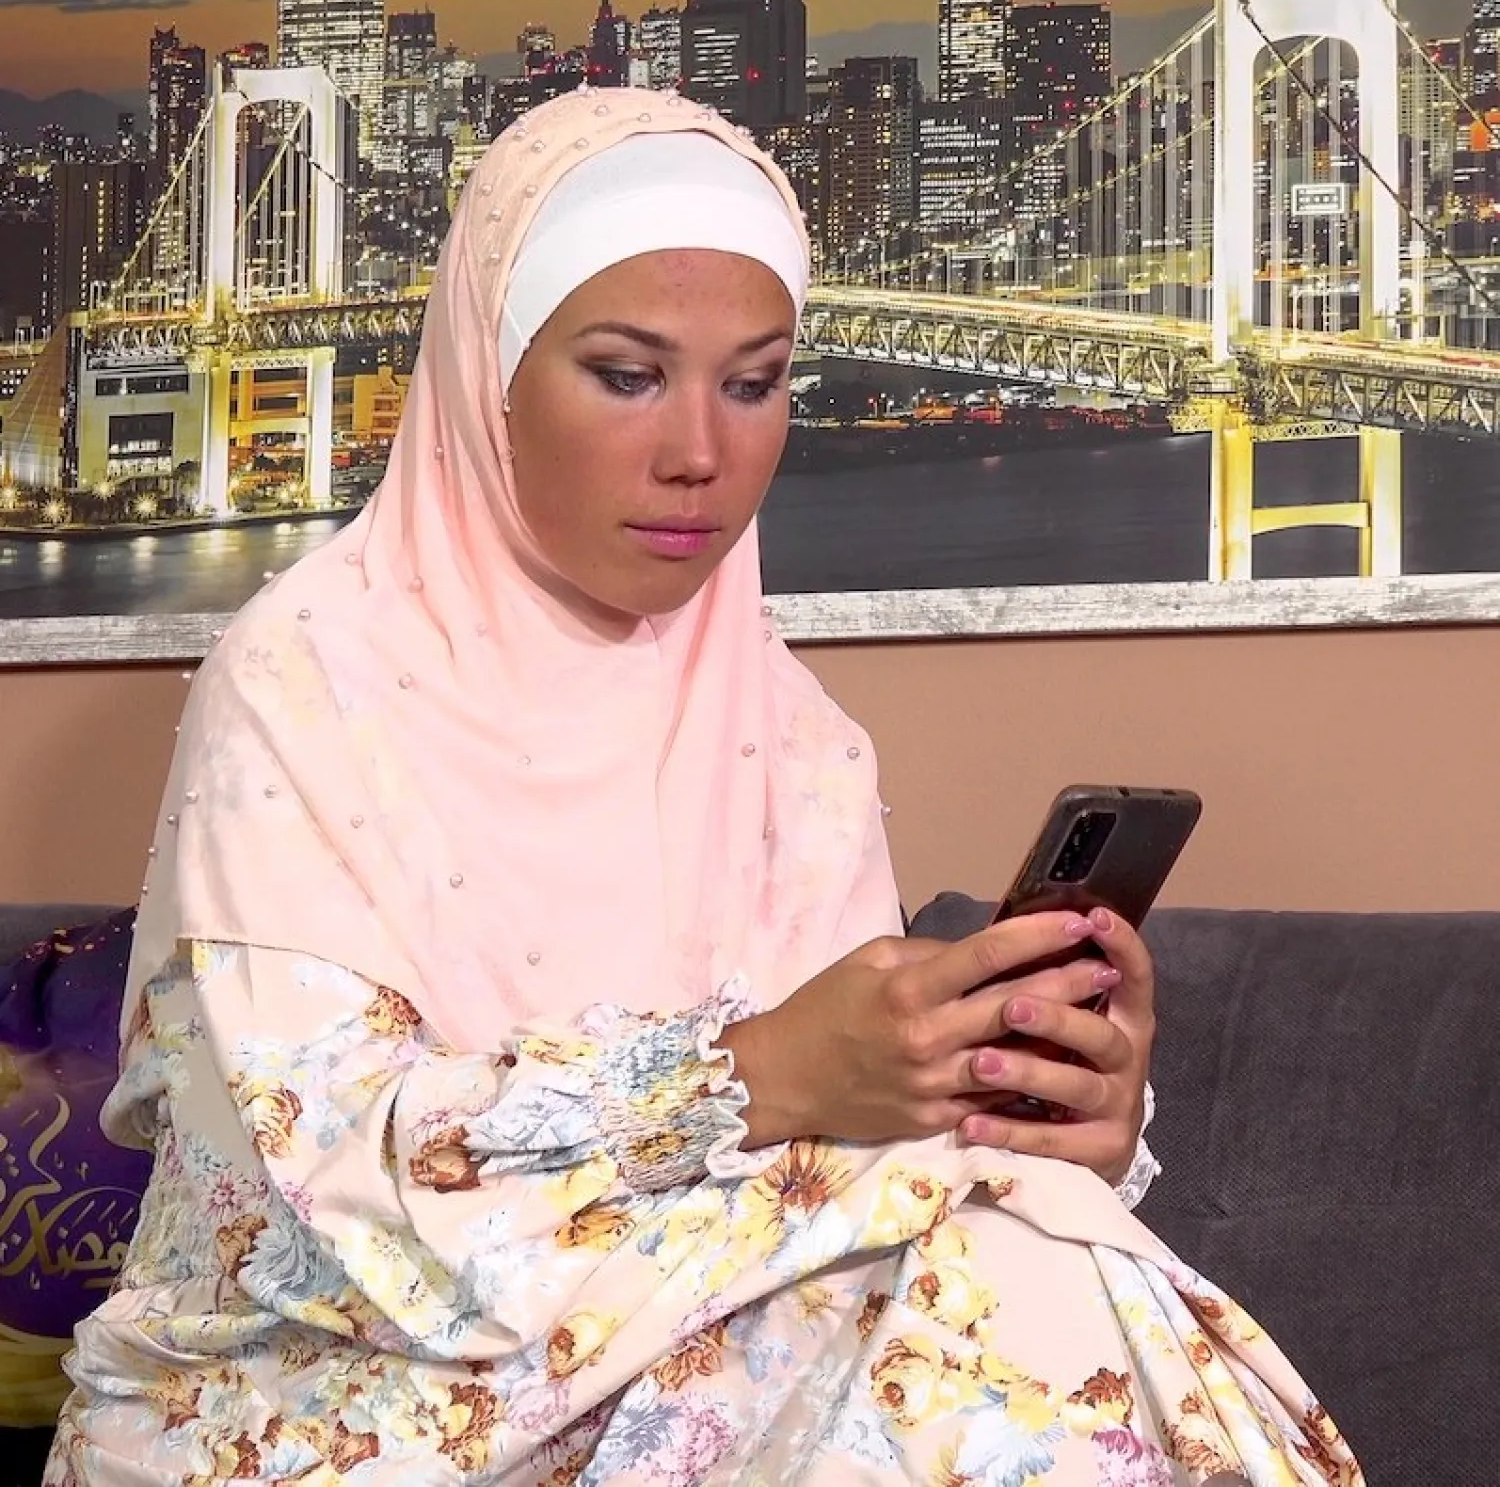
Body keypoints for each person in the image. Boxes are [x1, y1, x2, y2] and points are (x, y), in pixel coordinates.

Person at [46, 88, 1359, 1486]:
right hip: (328, 1392)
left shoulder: (793, 736)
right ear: (489, 373)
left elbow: (830, 1171)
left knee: (1019, 1269)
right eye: (627, 376)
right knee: (1013, 1307)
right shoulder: (306, 676)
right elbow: (301, 1210)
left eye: (753, 383)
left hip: (704, 1342)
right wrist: (761, 1074)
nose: (700, 455)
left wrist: (1020, 1105)